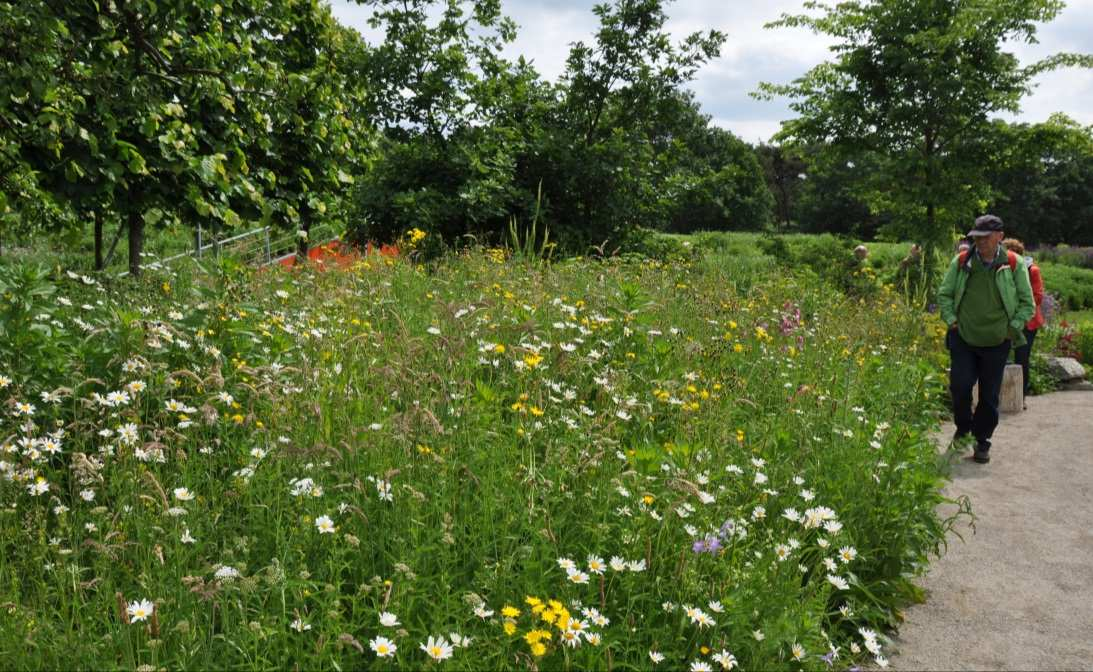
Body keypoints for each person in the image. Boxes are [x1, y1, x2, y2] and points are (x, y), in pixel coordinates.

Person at [937, 215, 1035, 463]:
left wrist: (1012, 327)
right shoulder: (961, 261)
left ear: (999, 236)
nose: (979, 242)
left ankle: (982, 441)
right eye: (976, 237)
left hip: (997, 340)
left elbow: (1027, 303)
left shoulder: (1014, 263)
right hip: (964, 337)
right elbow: (944, 294)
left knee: (990, 395)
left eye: (985, 237)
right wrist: (951, 320)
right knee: (960, 385)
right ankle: (963, 428)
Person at [1002, 238, 1045, 407]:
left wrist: (1017, 309)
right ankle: (1002, 394)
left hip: (1028, 322)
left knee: (1022, 357)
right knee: (1000, 356)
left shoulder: (1032, 270)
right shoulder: (1002, 270)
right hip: (1005, 321)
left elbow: (1038, 297)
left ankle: (1021, 397)